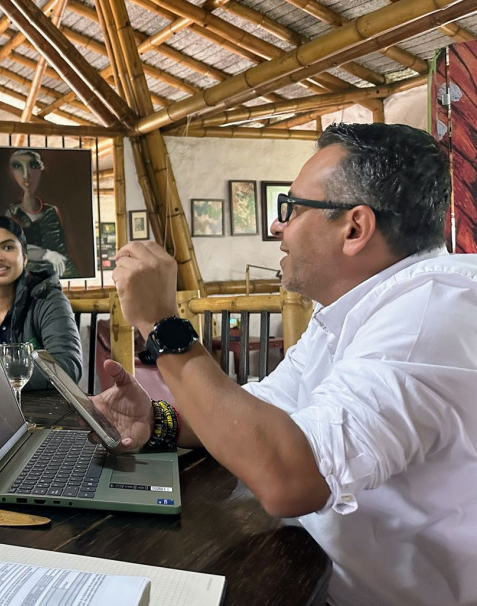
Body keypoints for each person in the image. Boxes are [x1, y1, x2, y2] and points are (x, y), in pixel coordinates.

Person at [94, 123, 477, 606]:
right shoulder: (354, 306)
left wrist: (163, 327)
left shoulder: (429, 316)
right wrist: (159, 420)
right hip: (312, 574)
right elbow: (266, 409)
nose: (277, 226)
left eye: (291, 209)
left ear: (355, 228)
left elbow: (290, 481)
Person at [0, 216, 83, 391]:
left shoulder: (48, 299)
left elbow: (67, 368)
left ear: (25, 258)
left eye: (8, 247)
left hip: (42, 413)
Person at [5, 149, 79, 278]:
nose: (26, 175)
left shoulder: (52, 211)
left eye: (33, 166)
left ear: (41, 169)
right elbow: (10, 248)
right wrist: (46, 254)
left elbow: (63, 247)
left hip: (61, 272)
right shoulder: (12, 213)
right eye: (18, 166)